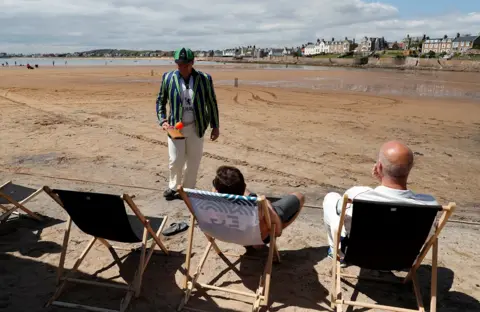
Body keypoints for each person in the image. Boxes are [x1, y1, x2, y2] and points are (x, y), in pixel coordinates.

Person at [323, 140, 438, 262]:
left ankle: (335, 252)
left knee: (331, 199)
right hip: (401, 259)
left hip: (359, 254)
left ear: (379, 167)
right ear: (410, 168)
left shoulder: (358, 195)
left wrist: (383, 181)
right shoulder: (429, 204)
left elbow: (338, 209)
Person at [156, 47, 220, 200]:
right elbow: (161, 100)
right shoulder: (168, 78)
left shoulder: (205, 78)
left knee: (193, 161)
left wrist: (215, 125)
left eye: (185, 64)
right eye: (179, 64)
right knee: (175, 160)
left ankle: (188, 190)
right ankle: (173, 187)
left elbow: (211, 102)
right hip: (175, 128)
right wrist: (163, 120)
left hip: (196, 127)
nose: (182, 67)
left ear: (192, 62)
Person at [212, 165, 304, 247]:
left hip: (227, 235)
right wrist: (267, 205)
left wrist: (255, 197)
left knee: (251, 196)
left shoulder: (206, 202)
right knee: (300, 196)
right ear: (244, 186)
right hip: (256, 239)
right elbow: (278, 231)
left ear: (217, 189)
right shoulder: (259, 206)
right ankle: (257, 244)